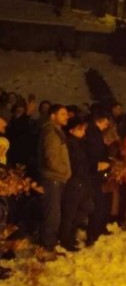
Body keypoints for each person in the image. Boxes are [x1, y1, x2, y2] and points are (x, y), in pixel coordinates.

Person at [38, 104, 70, 257]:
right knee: (52, 214)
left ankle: (49, 245)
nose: (67, 117)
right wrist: (64, 171)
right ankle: (47, 248)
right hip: (53, 178)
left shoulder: (56, 131)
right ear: (53, 116)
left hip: (57, 178)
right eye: (63, 114)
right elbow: (51, 157)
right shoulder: (51, 132)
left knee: (54, 213)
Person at [58, 117, 93, 252]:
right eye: (81, 129)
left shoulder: (79, 143)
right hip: (74, 181)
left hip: (82, 181)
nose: (83, 132)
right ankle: (65, 239)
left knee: (87, 206)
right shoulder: (69, 144)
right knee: (70, 212)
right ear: (72, 130)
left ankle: (69, 232)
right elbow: (73, 163)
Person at [85, 112, 112, 246]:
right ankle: (92, 234)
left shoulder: (96, 133)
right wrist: (99, 164)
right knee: (97, 203)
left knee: (101, 202)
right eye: (106, 122)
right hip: (95, 173)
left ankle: (98, 229)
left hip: (99, 171)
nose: (107, 125)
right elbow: (93, 153)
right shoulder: (93, 133)